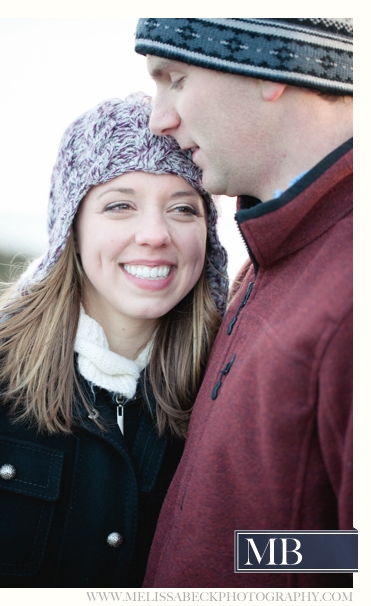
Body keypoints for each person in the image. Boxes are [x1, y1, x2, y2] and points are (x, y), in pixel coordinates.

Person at [0, 93, 228, 587]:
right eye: (120, 205)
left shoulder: (225, 394)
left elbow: (310, 553)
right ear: (72, 226)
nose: (154, 234)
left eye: (182, 208)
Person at [134, 18, 353, 587]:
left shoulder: (351, 293)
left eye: (175, 78)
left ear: (271, 67)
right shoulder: (268, 255)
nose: (160, 119)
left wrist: (247, 566)